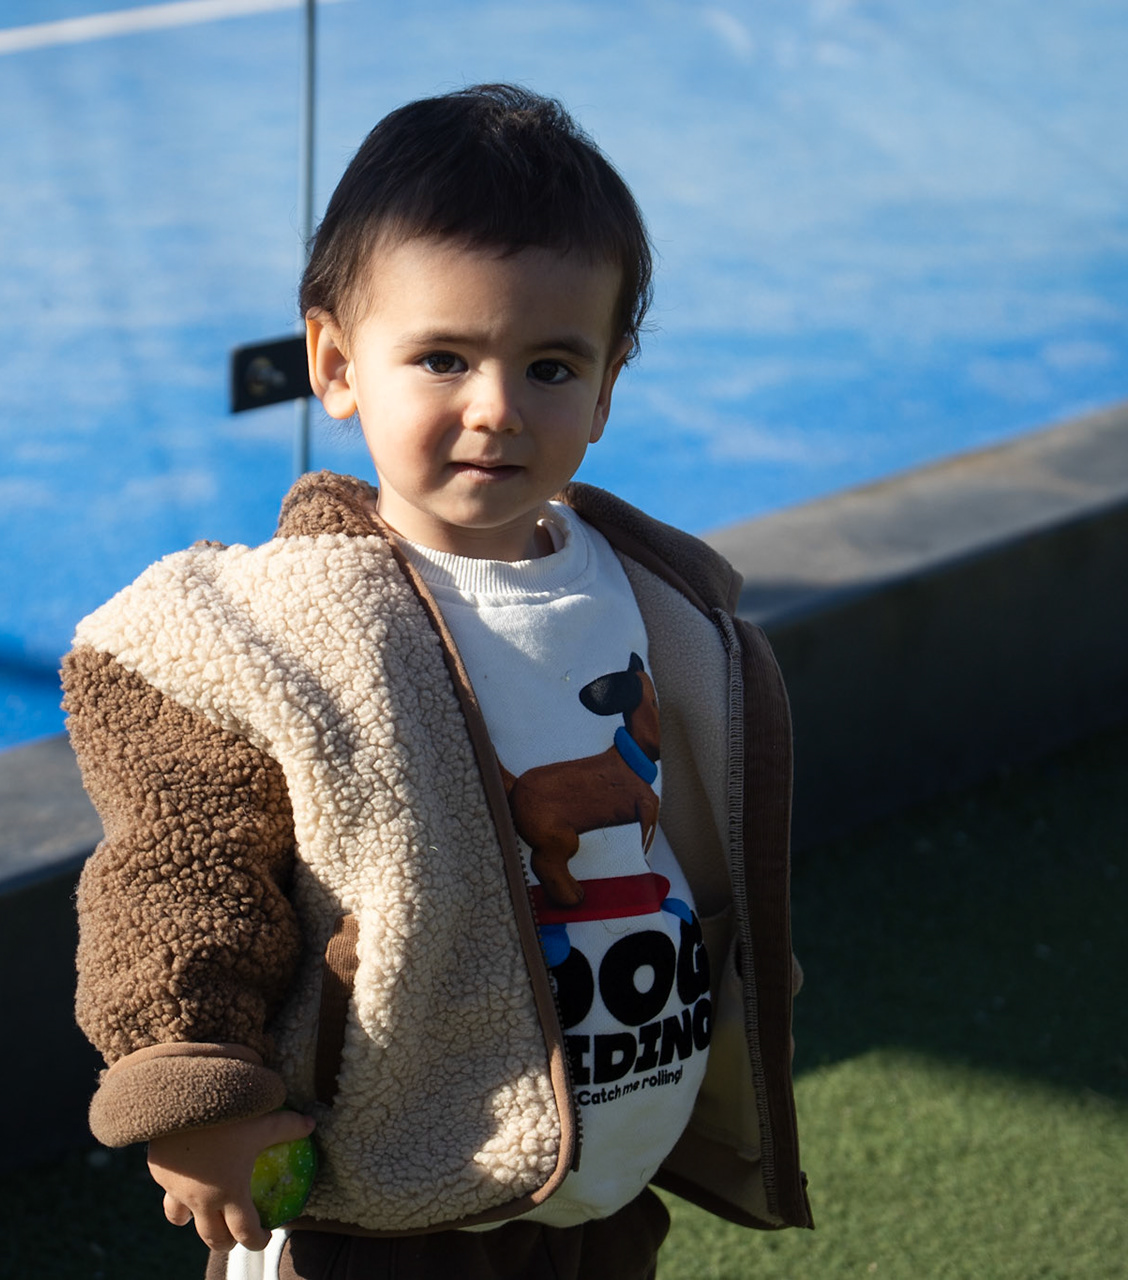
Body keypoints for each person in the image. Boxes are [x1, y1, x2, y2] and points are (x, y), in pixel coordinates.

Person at [63, 83, 811, 1280]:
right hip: (381, 1213)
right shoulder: (278, 633)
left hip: (598, 1183)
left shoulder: (651, 594)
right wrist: (188, 1074)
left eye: (551, 364)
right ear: (336, 363)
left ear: (608, 385)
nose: (496, 408)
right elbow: (179, 872)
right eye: (444, 357)